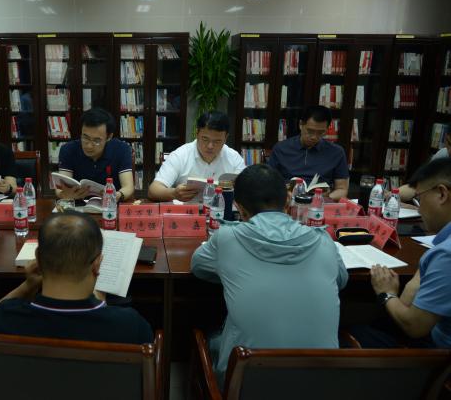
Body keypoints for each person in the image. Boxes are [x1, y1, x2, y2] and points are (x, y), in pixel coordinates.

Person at [191, 164, 348, 386]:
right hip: (322, 384)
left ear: (239, 207)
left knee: (211, 333)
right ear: (288, 201)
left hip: (247, 384)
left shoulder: (227, 238)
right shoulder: (324, 241)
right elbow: (341, 280)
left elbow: (198, 266)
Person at [0, 211, 153, 344]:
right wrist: (101, 300)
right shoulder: (131, 326)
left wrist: (28, 286)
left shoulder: (4, 318)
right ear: (97, 265)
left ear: (38, 258)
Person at [353, 157, 451, 349]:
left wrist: (386, 293)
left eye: (419, 198)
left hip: (438, 353)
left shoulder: (446, 255)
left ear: (441, 194)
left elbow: (414, 326)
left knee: (350, 334)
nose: (419, 208)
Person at [148, 111, 245, 202]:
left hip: (222, 211)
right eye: (205, 139)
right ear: (197, 133)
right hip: (187, 211)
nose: (210, 146)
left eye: (217, 141)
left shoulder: (234, 158)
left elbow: (247, 190)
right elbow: (153, 190)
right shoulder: (181, 155)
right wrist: (174, 193)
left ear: (226, 138)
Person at [268, 105, 349, 201]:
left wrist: (322, 198)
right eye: (310, 131)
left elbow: (342, 189)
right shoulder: (281, 148)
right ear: (301, 125)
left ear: (327, 129)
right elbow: (269, 184)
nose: (314, 137)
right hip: (287, 201)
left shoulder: (336, 152)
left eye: (321, 132)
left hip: (320, 203)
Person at [56, 108, 134, 202]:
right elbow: (59, 189)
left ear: (109, 137)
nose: (89, 145)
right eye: (85, 138)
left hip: (110, 205)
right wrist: (66, 195)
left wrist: (117, 195)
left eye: (96, 140)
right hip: (77, 206)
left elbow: (128, 187)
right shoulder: (68, 149)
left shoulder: (121, 149)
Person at [398, 134, 449, 202]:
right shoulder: (443, 154)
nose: (450, 151)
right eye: (449, 143)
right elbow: (417, 187)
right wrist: (393, 195)